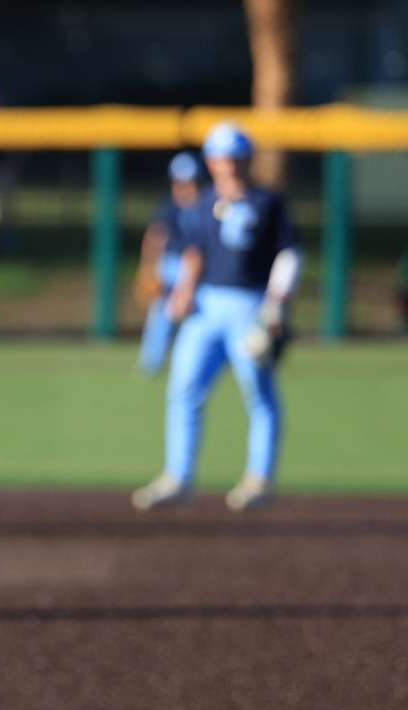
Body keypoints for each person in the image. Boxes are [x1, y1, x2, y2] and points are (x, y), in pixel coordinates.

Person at [133, 122, 302, 513]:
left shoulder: (267, 202)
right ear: (211, 162)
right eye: (221, 159)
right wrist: (182, 290)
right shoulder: (206, 201)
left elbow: (290, 252)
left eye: (235, 159)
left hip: (249, 305)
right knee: (183, 389)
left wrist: (276, 302)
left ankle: (259, 477)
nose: (228, 166)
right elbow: (195, 252)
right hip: (206, 307)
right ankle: (178, 476)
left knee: (259, 394)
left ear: (246, 160)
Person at [132, 152, 206, 377]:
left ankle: (203, 361)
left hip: (201, 265)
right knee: (161, 313)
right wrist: (149, 265)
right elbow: (157, 235)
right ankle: (151, 361)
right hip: (172, 262)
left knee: (202, 312)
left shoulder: (208, 202)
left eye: (190, 181)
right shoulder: (169, 205)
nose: (185, 187)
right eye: (180, 182)